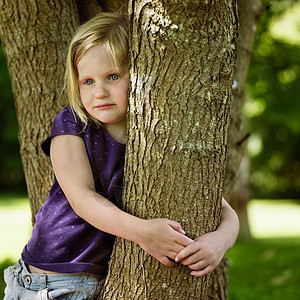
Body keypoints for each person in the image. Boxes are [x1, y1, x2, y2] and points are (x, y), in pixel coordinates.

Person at [4, 12, 239, 299]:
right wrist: (143, 232)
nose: (99, 92)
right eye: (87, 81)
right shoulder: (72, 125)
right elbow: (82, 199)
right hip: (50, 280)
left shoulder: (154, 137)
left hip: (96, 279)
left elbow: (221, 206)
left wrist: (220, 241)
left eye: (113, 76)